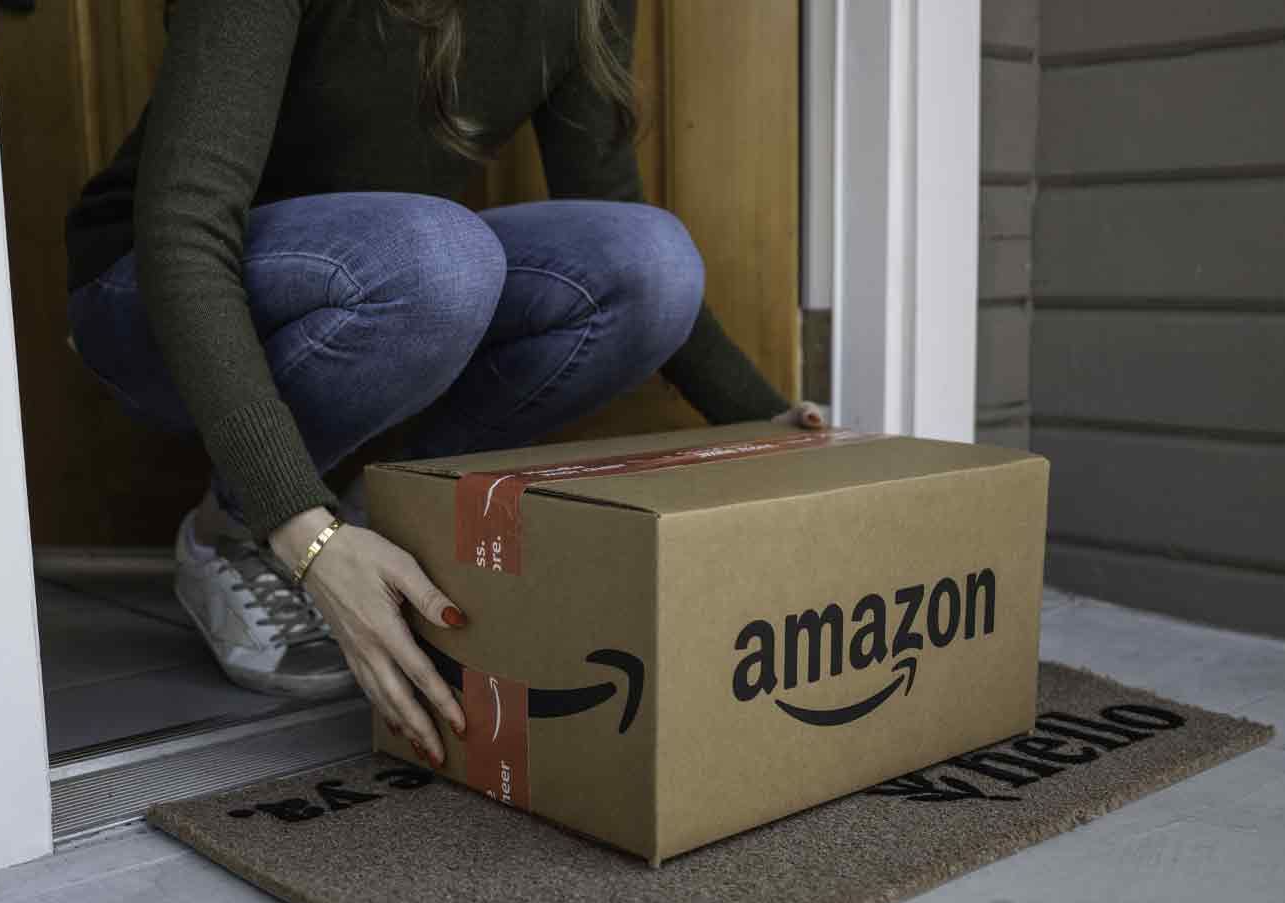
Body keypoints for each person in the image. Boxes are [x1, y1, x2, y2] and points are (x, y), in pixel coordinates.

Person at [63, 0, 826, 769]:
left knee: (649, 264)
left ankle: (385, 518)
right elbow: (184, 227)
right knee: (443, 262)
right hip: (145, 291)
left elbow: (611, 219)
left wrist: (762, 419)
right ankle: (239, 526)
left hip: (369, 268)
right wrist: (304, 532)